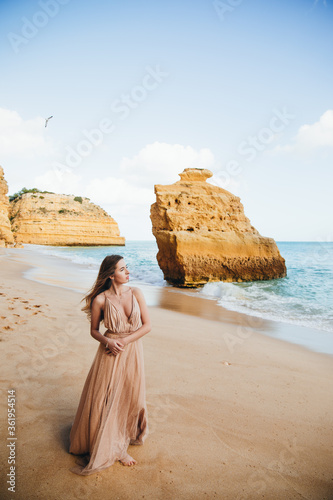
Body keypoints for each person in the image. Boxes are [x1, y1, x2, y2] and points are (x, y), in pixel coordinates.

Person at [69, 254, 151, 475]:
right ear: (111, 274)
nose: (128, 272)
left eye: (127, 268)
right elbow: (94, 331)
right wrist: (108, 340)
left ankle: (123, 437)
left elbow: (147, 326)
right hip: (109, 352)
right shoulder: (101, 300)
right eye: (123, 269)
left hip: (131, 350)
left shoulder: (136, 293)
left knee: (131, 395)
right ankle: (112, 447)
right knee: (105, 398)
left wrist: (124, 340)